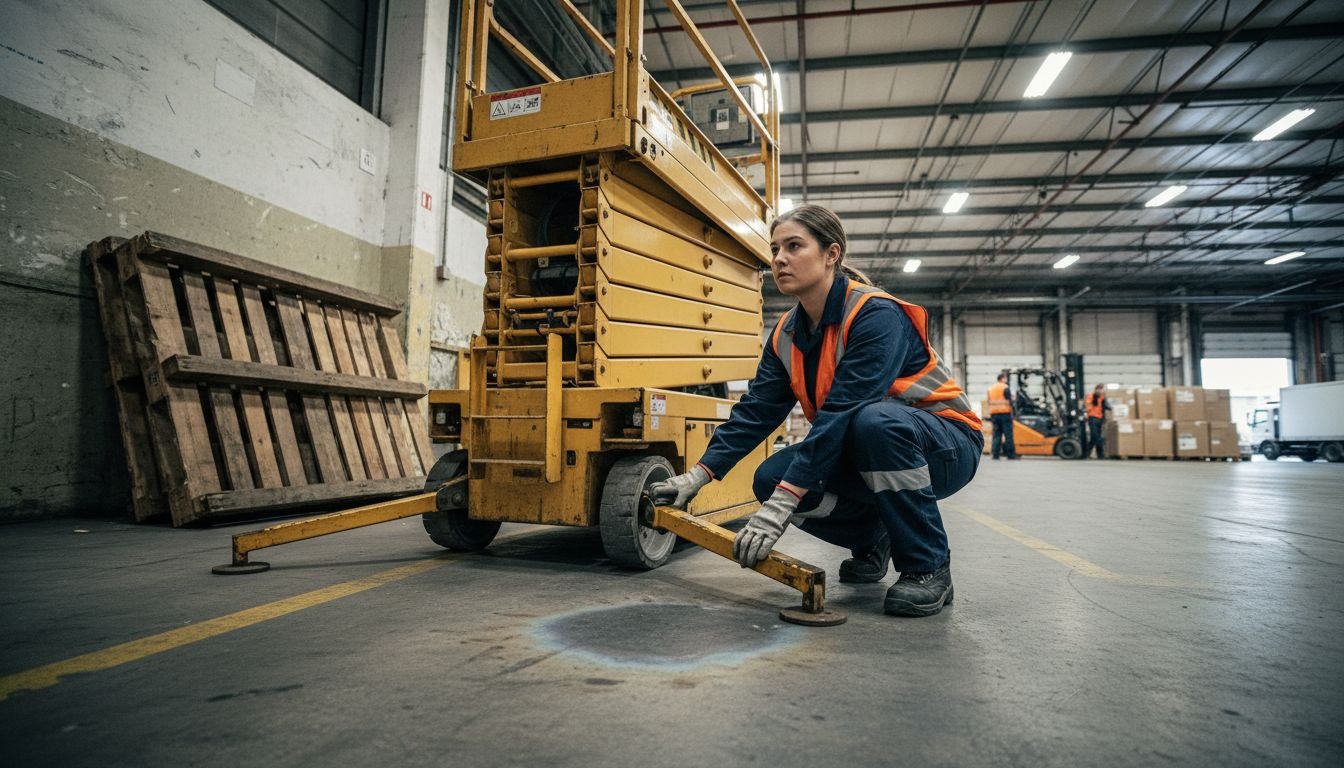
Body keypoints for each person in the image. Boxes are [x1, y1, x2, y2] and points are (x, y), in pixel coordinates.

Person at [648, 204, 982, 618]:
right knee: (771, 477)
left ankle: (927, 566)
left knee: (872, 423)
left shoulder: (875, 315)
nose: (779, 259)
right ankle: (876, 535)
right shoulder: (787, 333)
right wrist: (697, 476)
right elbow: (756, 412)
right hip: (867, 443)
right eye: (774, 250)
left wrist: (783, 507)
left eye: (794, 246)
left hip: (945, 447)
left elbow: (843, 412)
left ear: (831, 254)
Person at [987, 372, 1018, 460]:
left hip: (994, 415)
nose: (1006, 380)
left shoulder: (991, 388)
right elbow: (1010, 401)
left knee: (996, 435)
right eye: (1005, 378)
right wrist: (1014, 399)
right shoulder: (1005, 387)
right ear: (1002, 378)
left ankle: (995, 455)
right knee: (1008, 435)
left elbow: (989, 401)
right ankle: (1010, 455)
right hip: (1005, 414)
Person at [1086, 384, 1112, 459]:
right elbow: (1088, 406)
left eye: (1101, 389)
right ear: (1095, 389)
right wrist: (1093, 402)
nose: (1099, 390)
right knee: (1095, 436)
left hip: (1100, 419)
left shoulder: (1102, 398)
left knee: (1094, 437)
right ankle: (1096, 451)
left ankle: (1098, 454)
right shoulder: (1091, 396)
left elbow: (1107, 406)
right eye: (1098, 389)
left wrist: (1111, 408)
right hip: (1092, 418)